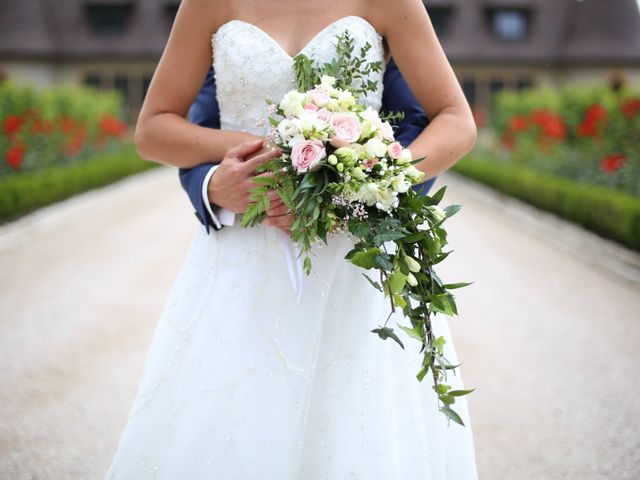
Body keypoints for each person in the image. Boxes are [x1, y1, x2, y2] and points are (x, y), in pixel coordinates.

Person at [106, 0, 479, 478]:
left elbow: (455, 120)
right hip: (243, 253)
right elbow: (153, 128)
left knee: (352, 421)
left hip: (353, 255)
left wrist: (370, 179)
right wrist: (240, 165)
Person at [178, 59, 436, 234]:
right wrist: (211, 185)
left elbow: (428, 121)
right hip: (244, 231)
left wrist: (348, 201)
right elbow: (166, 128)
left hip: (348, 242)